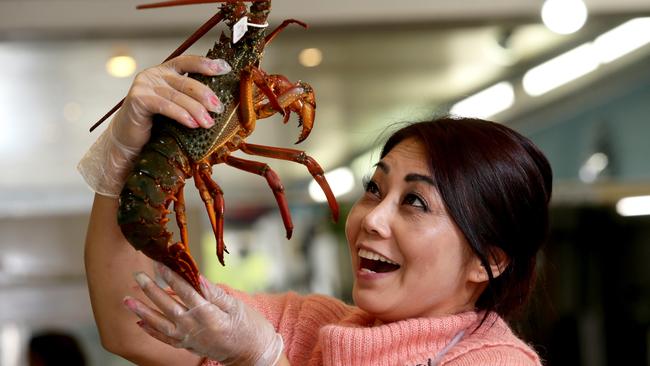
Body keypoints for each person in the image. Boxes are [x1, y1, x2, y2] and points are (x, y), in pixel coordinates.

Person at [80, 54, 552, 366]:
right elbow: (133, 323)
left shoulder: (495, 359)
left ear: (487, 261)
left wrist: (264, 358)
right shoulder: (309, 326)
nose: (372, 218)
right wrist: (123, 157)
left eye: (415, 201)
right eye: (374, 188)